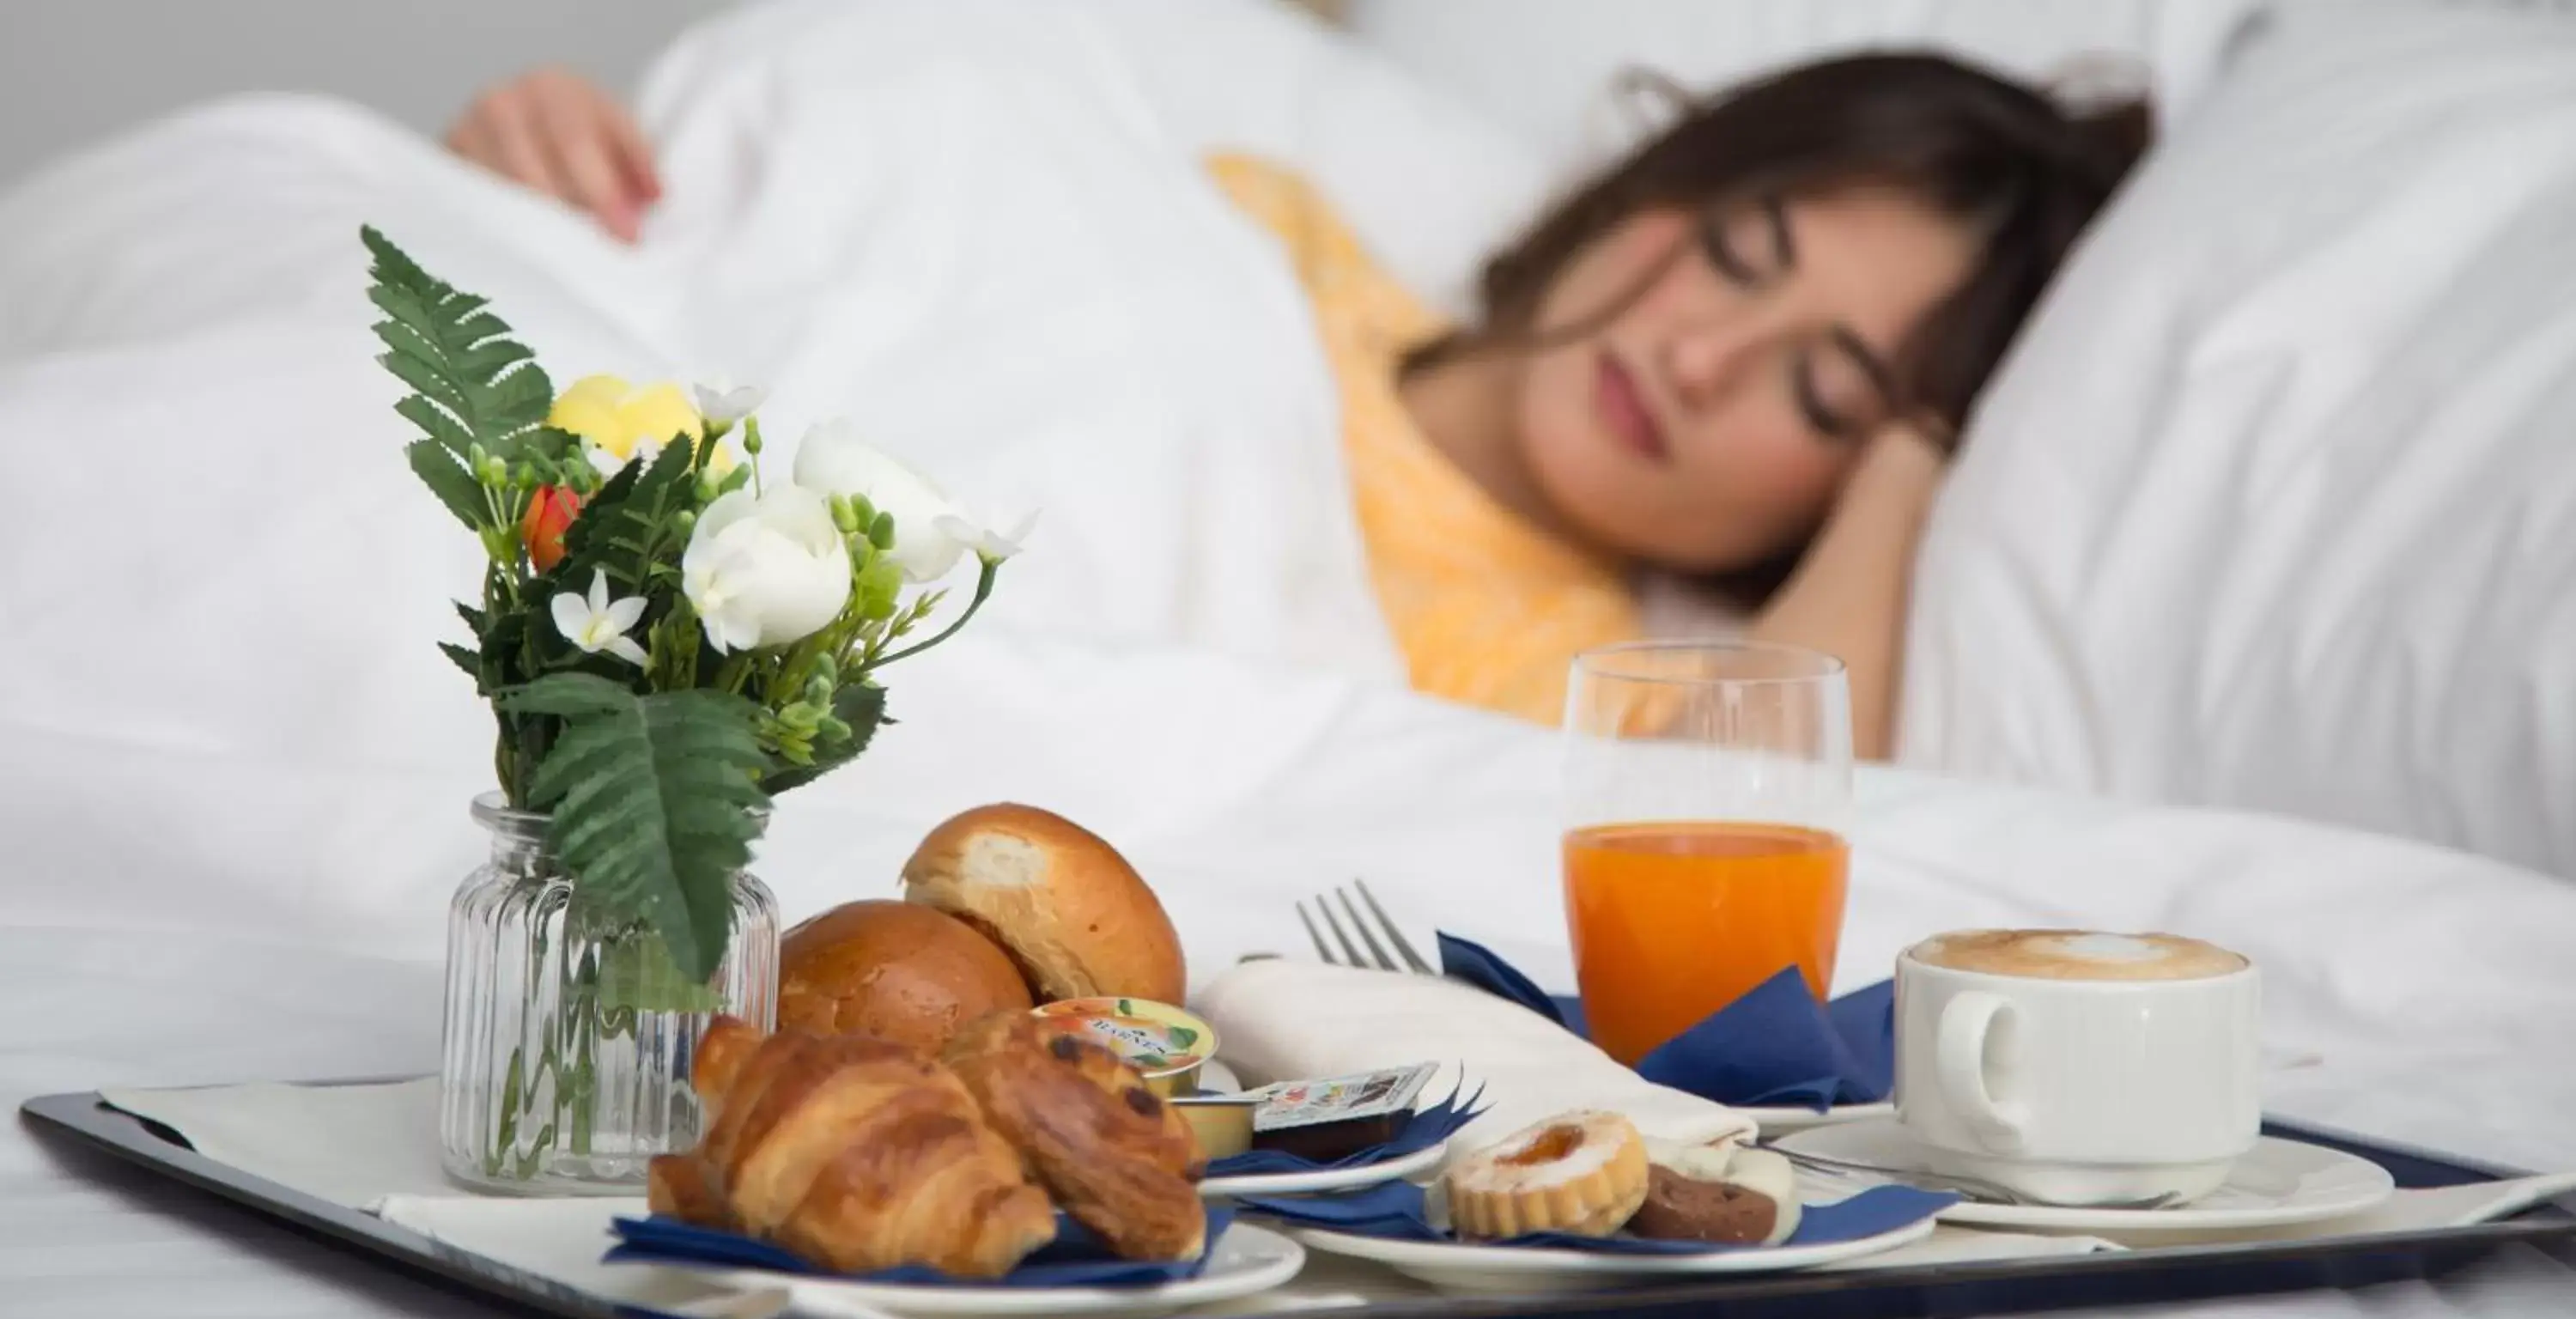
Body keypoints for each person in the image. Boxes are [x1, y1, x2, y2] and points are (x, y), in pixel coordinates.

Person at [445, 54, 2149, 757]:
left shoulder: (1582, 691)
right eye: (1742, 251)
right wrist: (538, 189)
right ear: (1658, 196)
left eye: (1822, 389)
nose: (1703, 357)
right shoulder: (1254, 222)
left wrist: (1924, 464)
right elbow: (864, 276)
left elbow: (1744, 838)